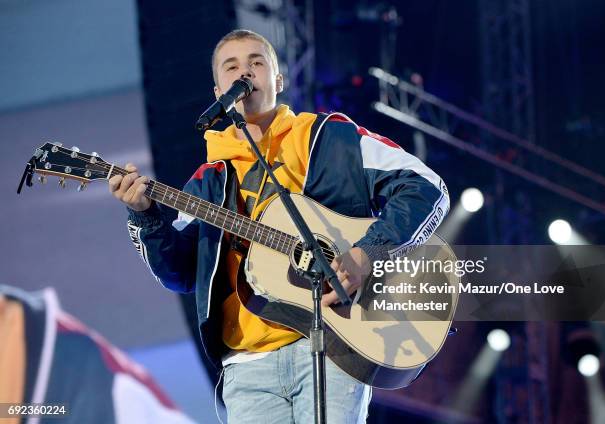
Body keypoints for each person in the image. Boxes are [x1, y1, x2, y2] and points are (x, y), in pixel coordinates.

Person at [109, 29, 450, 423]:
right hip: (247, 364)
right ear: (218, 88)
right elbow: (181, 274)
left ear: (278, 80)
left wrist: (366, 254)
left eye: (256, 62)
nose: (245, 73)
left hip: (332, 348)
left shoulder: (328, 138)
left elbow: (426, 187)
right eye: (232, 67)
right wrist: (144, 215)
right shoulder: (205, 182)